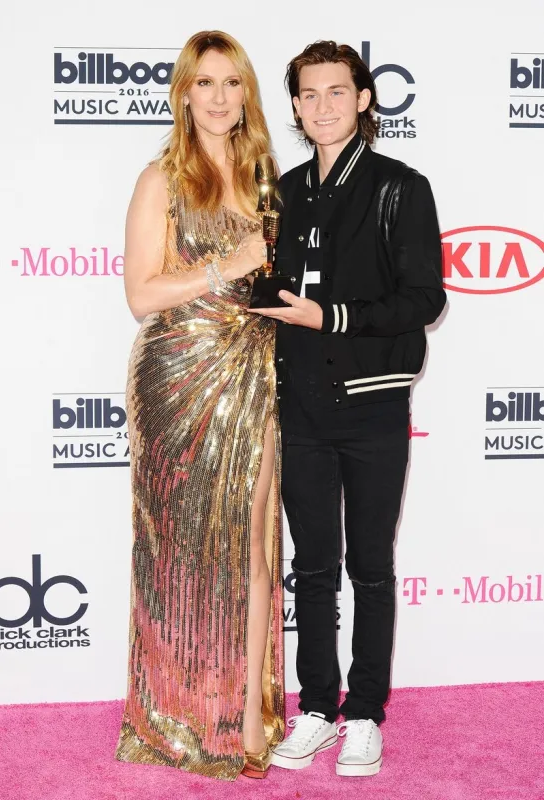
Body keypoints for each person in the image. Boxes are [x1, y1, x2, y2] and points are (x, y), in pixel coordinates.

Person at [253, 40, 446, 777]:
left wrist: (327, 316)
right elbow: (275, 288)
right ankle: (315, 709)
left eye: (337, 92)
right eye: (308, 94)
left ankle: (363, 713)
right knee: (311, 569)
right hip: (300, 407)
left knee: (369, 565)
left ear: (364, 99)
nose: (323, 106)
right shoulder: (287, 188)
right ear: (295, 105)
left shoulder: (401, 185)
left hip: (370, 409)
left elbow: (424, 300)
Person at [115, 30, 284, 781]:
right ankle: (174, 717)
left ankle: (247, 717)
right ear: (183, 93)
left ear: (247, 94)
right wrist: (226, 264)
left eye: (232, 83)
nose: (219, 97)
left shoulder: (269, 176)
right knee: (176, 555)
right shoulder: (162, 179)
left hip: (256, 374)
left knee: (251, 545)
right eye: (204, 83)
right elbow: (140, 294)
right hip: (177, 378)